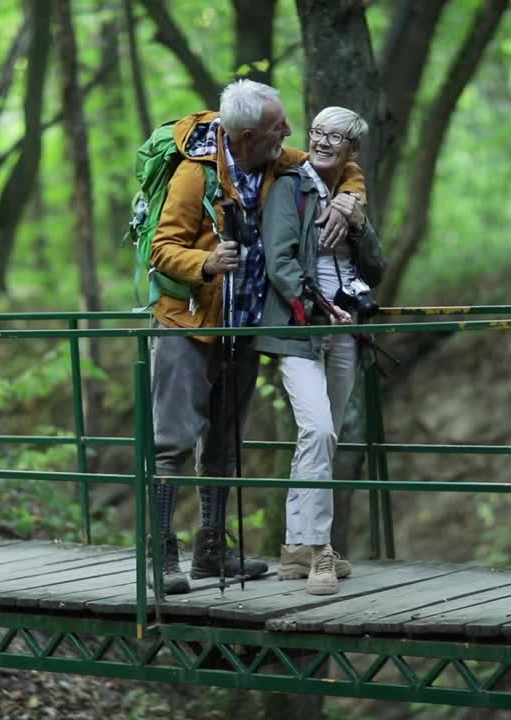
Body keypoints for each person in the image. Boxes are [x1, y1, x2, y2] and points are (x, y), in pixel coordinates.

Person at [149, 80, 367, 595]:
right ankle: (159, 554)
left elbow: (339, 165)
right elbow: (163, 247)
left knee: (224, 443)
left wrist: (348, 200)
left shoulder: (274, 160)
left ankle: (210, 550)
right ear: (245, 136)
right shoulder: (192, 175)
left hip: (242, 329)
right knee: (172, 441)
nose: (289, 134)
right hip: (189, 324)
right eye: (278, 127)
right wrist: (203, 262)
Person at [256, 106, 383, 596]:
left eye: (336, 136)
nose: (324, 141)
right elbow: (279, 260)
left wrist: (359, 224)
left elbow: (376, 269)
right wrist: (317, 303)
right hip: (299, 328)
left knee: (318, 438)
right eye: (317, 133)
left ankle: (293, 548)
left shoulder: (353, 194)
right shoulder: (290, 186)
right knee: (319, 428)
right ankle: (320, 550)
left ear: (352, 148)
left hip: (346, 331)